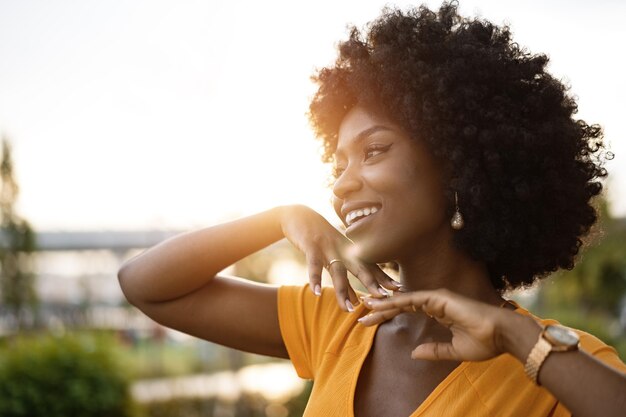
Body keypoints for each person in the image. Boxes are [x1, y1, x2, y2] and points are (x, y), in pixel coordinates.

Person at [118, 2, 626, 416]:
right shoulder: (339, 321)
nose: (341, 184)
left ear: (458, 167)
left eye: (374, 149)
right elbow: (145, 285)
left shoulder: (553, 368)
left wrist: (517, 336)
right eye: (338, 163)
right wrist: (280, 217)